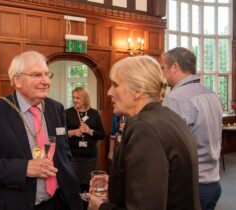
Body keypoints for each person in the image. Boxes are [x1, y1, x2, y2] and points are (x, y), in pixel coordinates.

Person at [0, 51, 83, 210]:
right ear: (17, 80)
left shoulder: (56, 108)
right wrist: (24, 168)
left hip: (59, 201)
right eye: (36, 75)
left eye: (47, 74)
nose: (46, 81)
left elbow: (64, 153)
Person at [87, 55, 201, 210]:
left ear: (137, 91)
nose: (109, 92)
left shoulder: (144, 128)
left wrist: (101, 207)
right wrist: (115, 182)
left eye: (115, 85)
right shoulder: (169, 116)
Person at [161, 47, 223, 210]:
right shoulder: (212, 94)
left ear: (175, 67)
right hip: (214, 182)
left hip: (191, 184)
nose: (163, 73)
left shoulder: (175, 98)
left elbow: (167, 146)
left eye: (163, 68)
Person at [66, 87, 105, 209]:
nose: (75, 100)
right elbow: (60, 133)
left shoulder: (94, 114)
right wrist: (73, 132)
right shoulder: (67, 113)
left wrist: (90, 131)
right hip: (73, 156)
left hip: (90, 157)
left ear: (85, 98)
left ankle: (85, 206)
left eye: (78, 97)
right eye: (73, 97)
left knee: (87, 185)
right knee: (73, 184)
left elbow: (102, 134)